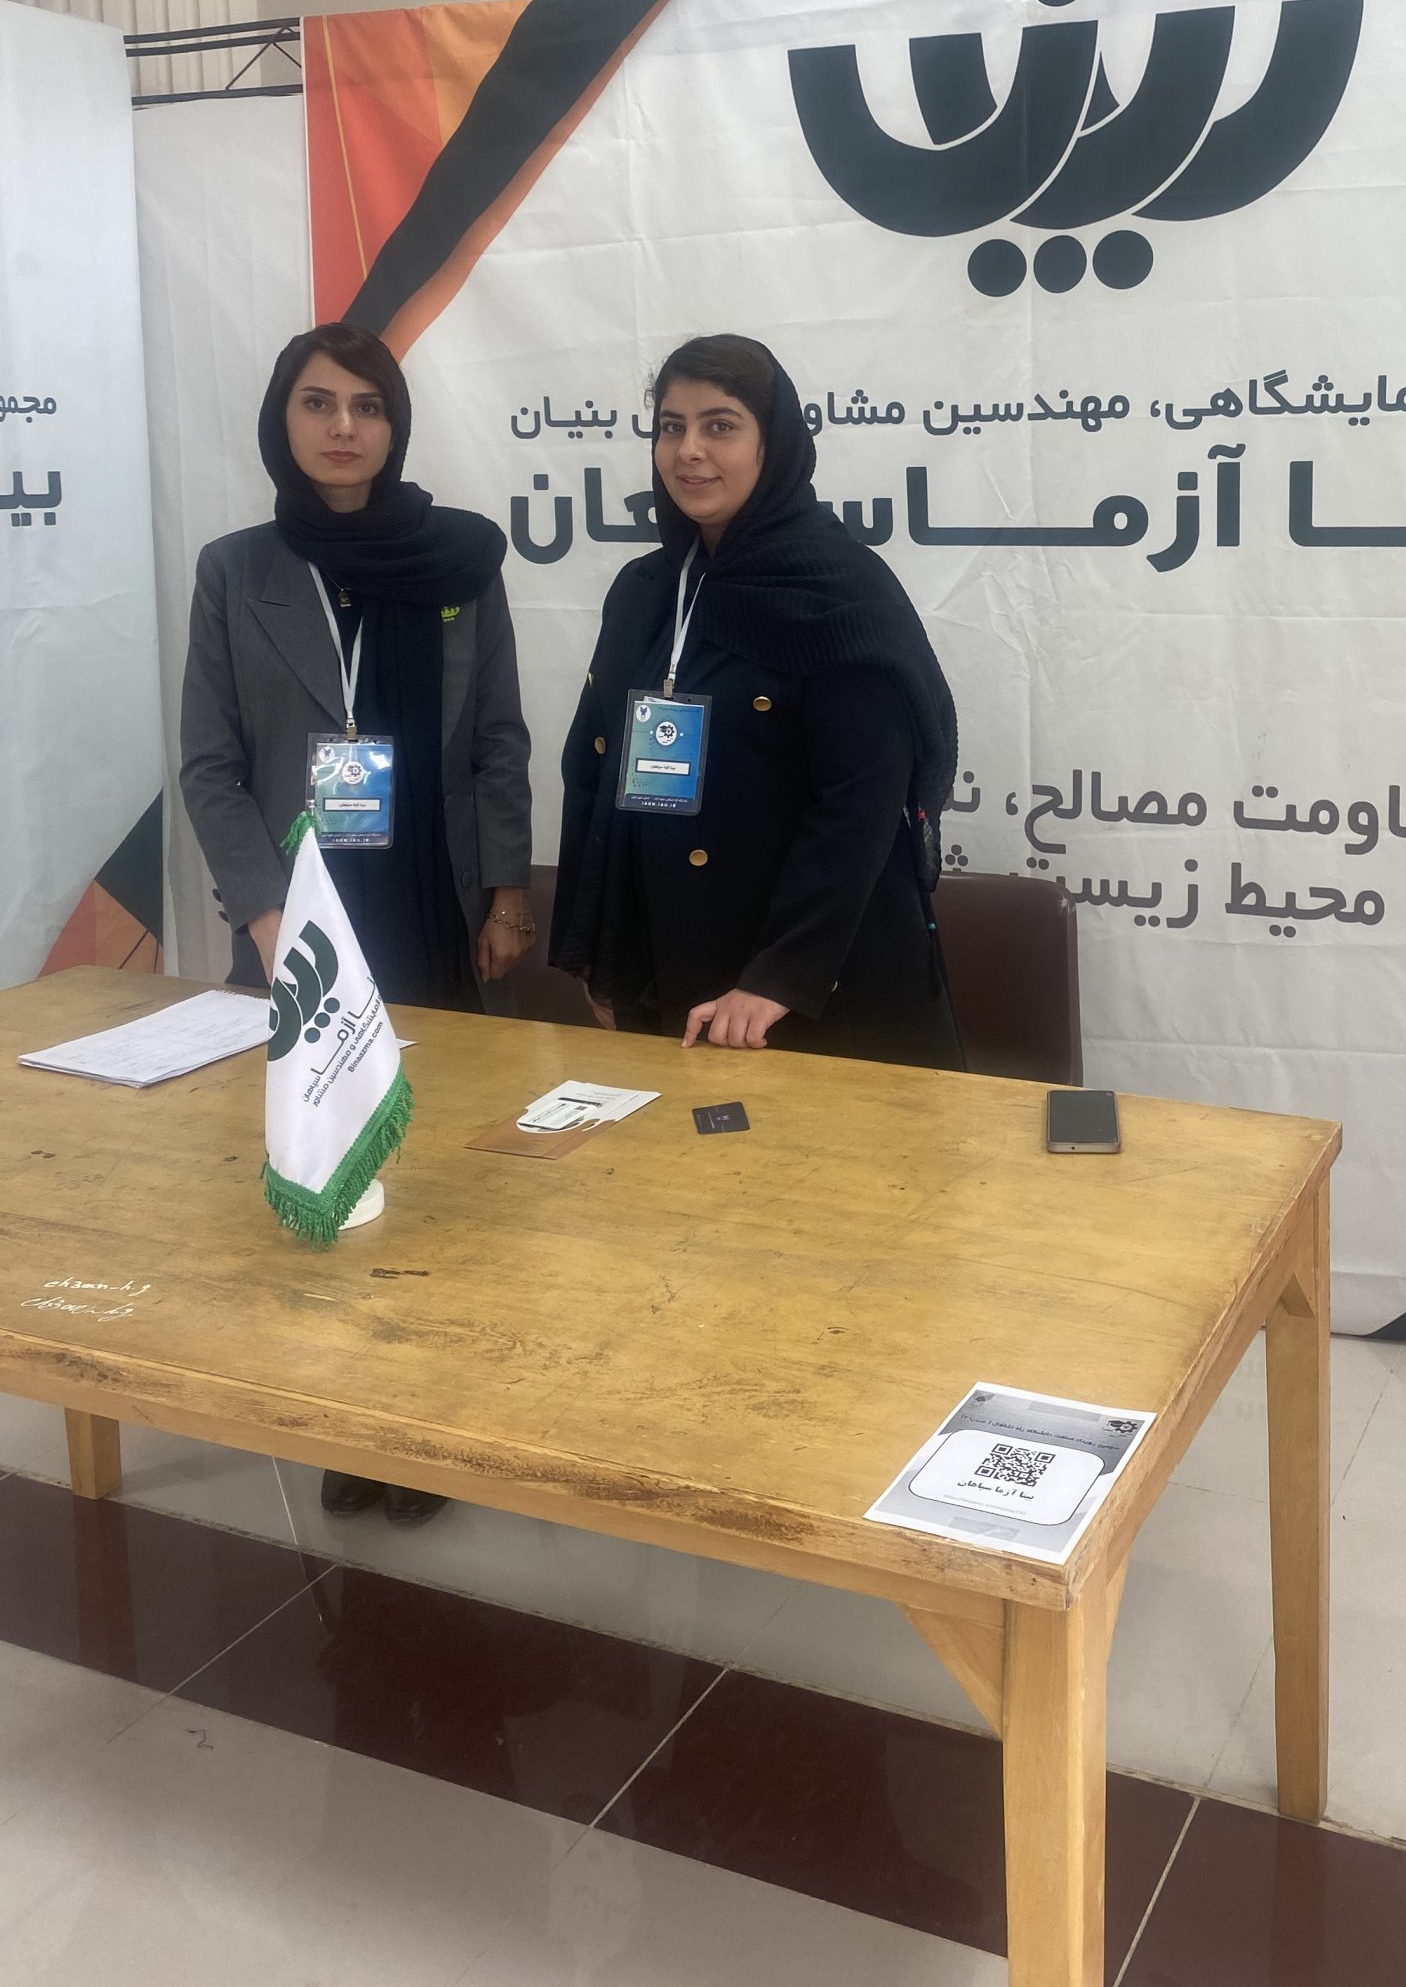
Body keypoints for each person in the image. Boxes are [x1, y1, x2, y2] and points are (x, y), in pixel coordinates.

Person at [180, 324, 535, 1527]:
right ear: (281, 421)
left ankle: (430, 1417)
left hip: (433, 900)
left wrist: (507, 892)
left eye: (368, 405)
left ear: (397, 424)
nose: (344, 427)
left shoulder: (460, 559)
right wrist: (263, 912)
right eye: (318, 403)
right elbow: (211, 764)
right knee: (325, 1147)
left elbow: (498, 736)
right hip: (306, 920)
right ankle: (345, 1413)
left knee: (437, 1162)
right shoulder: (236, 572)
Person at [552, 332, 962, 1068]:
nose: (689, 451)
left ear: (774, 443)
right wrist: (596, 947)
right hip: (663, 963)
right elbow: (593, 768)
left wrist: (778, 977)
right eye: (671, 427)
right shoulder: (644, 593)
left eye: (720, 425)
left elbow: (861, 802)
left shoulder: (840, 591)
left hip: (818, 988)